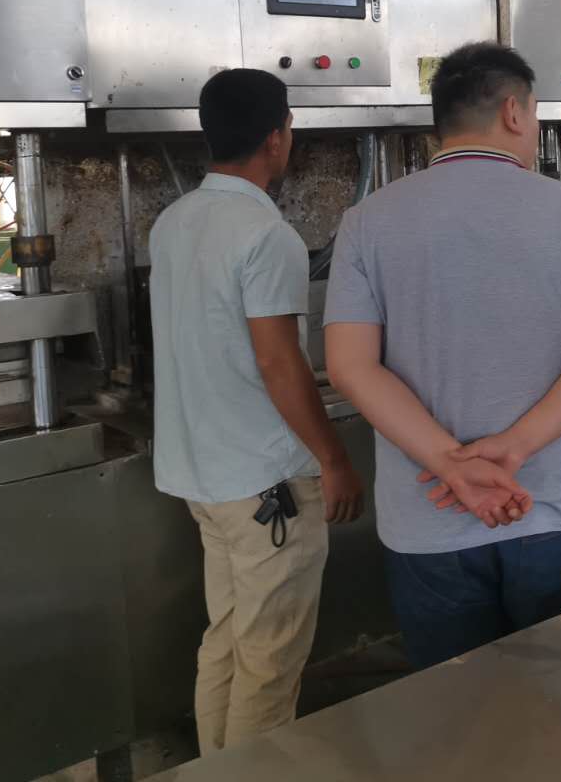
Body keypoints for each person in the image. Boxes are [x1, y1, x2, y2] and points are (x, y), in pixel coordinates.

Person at [324, 42, 561, 670]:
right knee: (552, 695)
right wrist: (515, 447)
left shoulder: (367, 221)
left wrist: (451, 462)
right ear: (514, 112)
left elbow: (351, 366)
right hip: (545, 508)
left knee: (454, 702)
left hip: (428, 521)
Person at [149, 68, 365, 756]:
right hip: (266, 484)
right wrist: (334, 460)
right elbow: (278, 362)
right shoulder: (266, 235)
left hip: (203, 477)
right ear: (276, 138)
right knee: (269, 663)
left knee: (227, 640)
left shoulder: (174, 221)